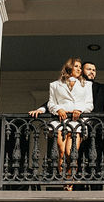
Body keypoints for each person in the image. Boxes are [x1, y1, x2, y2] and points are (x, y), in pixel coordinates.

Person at [29, 57, 92, 187]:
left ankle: (70, 180)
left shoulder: (86, 85)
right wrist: (58, 109)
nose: (79, 69)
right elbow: (51, 103)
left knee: (71, 153)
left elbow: (89, 105)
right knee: (62, 152)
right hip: (60, 121)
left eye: (80, 67)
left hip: (77, 121)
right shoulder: (55, 85)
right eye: (76, 66)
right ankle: (64, 179)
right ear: (69, 67)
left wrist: (80, 110)